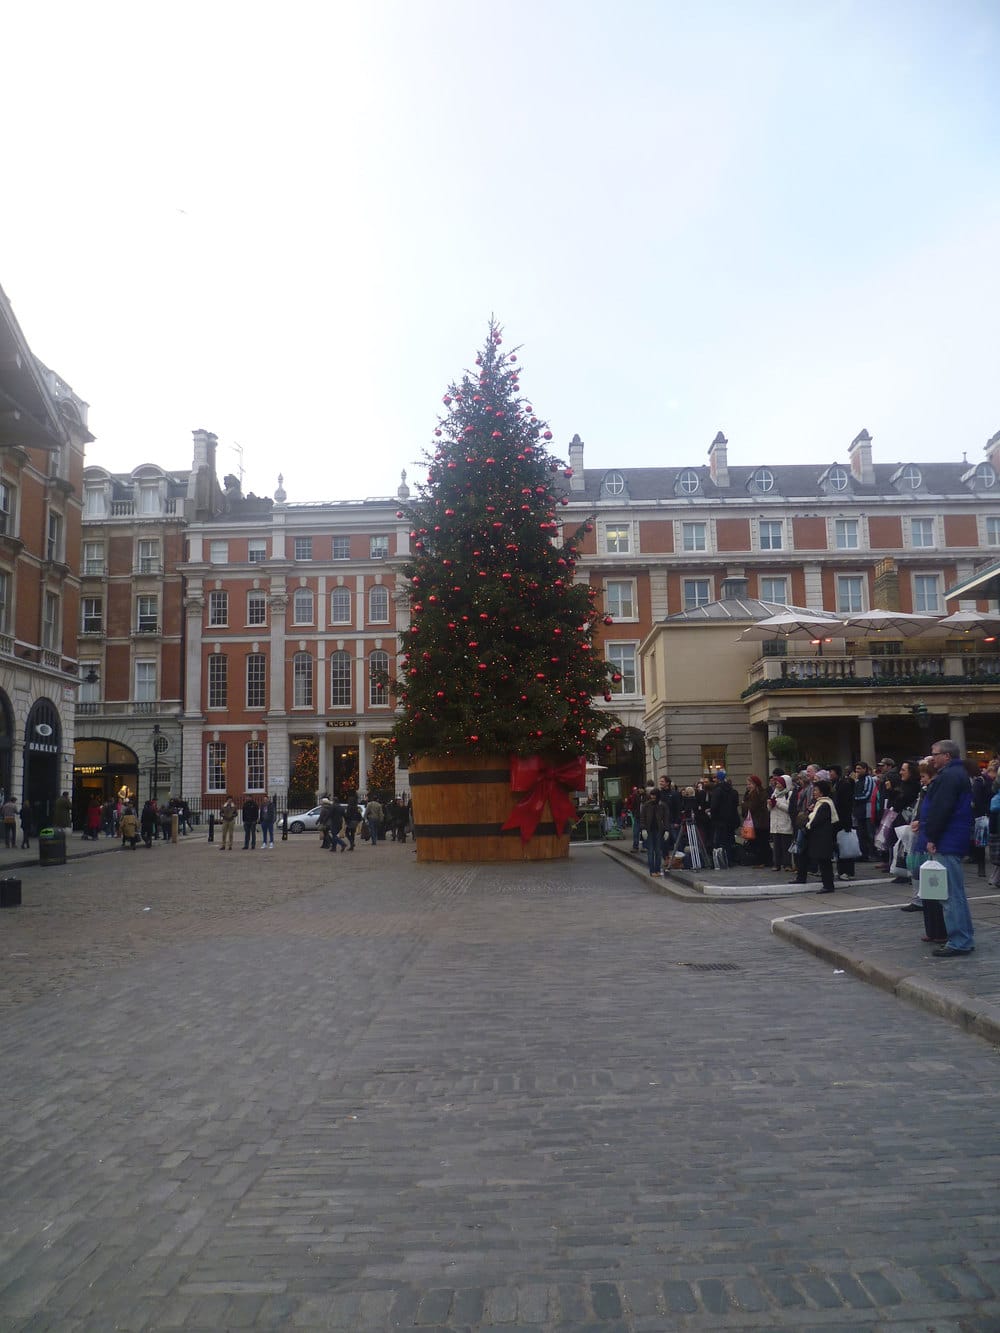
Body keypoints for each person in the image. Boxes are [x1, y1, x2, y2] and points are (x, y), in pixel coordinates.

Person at [923, 739, 975, 957]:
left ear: (947, 756)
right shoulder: (956, 775)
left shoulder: (949, 777)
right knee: (955, 893)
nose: (932, 758)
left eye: (935, 754)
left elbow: (941, 809)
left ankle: (959, 940)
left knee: (950, 894)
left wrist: (932, 836)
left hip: (948, 838)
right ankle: (962, 937)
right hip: (953, 837)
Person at [795, 777, 839, 893]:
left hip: (822, 837)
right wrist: (809, 812)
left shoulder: (825, 804)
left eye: (816, 790)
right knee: (806, 856)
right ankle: (801, 878)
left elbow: (816, 821)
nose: (814, 792)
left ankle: (828, 885)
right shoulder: (817, 804)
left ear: (822, 792)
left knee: (825, 862)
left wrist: (807, 825)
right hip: (815, 837)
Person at [829, 764, 857, 881]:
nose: (830, 774)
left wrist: (846, 823)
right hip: (836, 820)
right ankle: (841, 870)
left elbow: (845, 804)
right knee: (839, 846)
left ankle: (847, 871)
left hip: (843, 820)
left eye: (831, 772)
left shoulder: (844, 784)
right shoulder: (834, 784)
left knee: (846, 846)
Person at [708, 769, 739, 865]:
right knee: (730, 841)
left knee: (718, 841)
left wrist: (711, 813)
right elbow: (735, 805)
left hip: (720, 821)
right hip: (731, 820)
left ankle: (719, 861)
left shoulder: (717, 790)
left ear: (717, 779)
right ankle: (730, 860)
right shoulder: (733, 791)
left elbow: (714, 806)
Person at [741, 775, 770, 867]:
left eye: (750, 784)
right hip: (756, 822)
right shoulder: (750, 793)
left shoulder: (758, 793)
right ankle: (762, 860)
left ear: (755, 784)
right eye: (748, 784)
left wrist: (744, 804)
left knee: (761, 842)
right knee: (759, 842)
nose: (748, 786)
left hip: (760, 822)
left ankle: (762, 861)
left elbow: (752, 807)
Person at [768, 775, 793, 871]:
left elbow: (789, 808)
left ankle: (787, 864)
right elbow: (770, 809)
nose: (777, 785)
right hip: (775, 824)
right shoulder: (774, 793)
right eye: (777, 783)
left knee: (786, 846)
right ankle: (776, 864)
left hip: (785, 823)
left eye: (779, 783)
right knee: (776, 846)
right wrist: (770, 804)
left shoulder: (789, 794)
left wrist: (777, 803)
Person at [639, 785, 665, 876]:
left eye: (654, 795)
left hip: (658, 829)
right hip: (649, 829)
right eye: (652, 795)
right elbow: (642, 818)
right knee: (651, 850)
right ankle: (652, 870)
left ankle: (657, 869)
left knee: (658, 850)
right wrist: (643, 829)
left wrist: (666, 830)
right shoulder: (646, 805)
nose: (653, 797)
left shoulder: (662, 805)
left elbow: (666, 818)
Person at [852, 763, 875, 859]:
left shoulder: (868, 779)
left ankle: (872, 853)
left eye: (859, 769)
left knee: (869, 832)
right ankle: (864, 853)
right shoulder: (857, 781)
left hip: (867, 809)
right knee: (861, 833)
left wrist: (854, 798)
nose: (857, 771)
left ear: (865, 769)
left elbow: (867, 794)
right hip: (859, 810)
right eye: (856, 768)